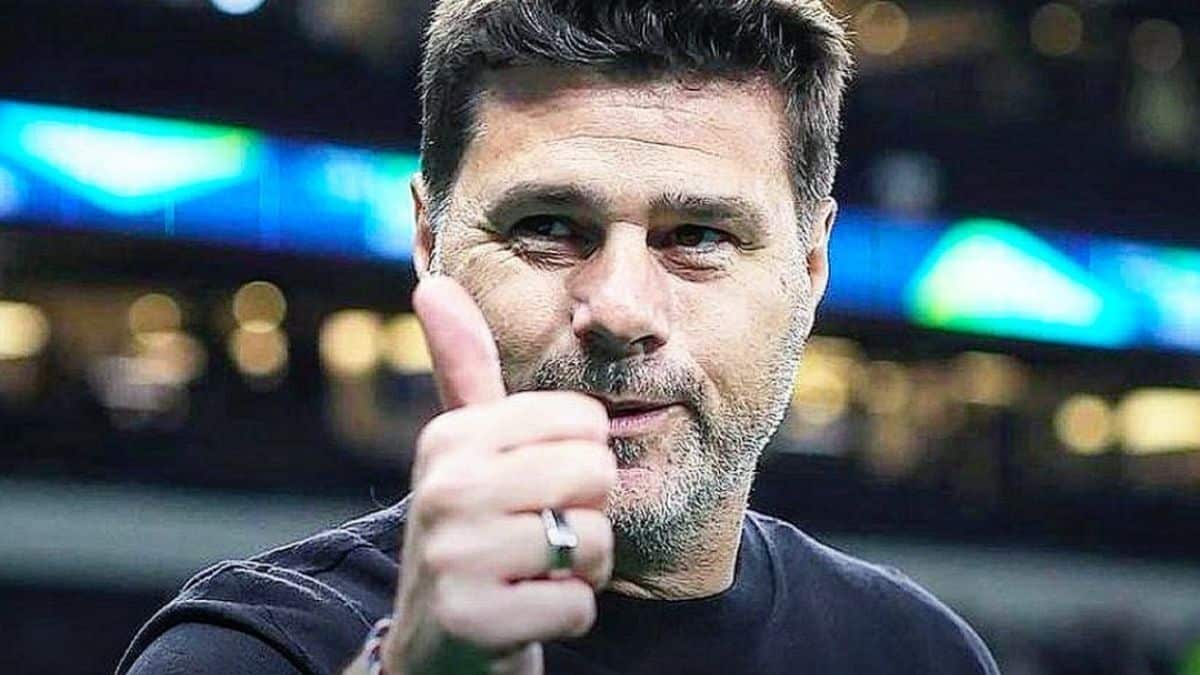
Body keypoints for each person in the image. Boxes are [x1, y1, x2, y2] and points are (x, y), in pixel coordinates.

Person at [119, 1, 1000, 673]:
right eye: (547, 226)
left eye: (698, 237)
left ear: (810, 266)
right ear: (429, 243)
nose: (619, 308)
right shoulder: (243, 652)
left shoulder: (921, 652)